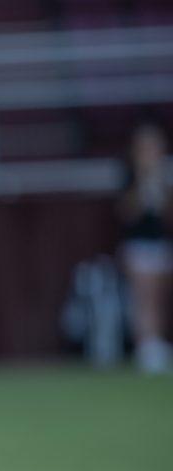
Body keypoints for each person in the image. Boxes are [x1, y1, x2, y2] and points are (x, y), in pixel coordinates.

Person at [118, 123, 172, 374]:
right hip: (138, 245)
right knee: (144, 298)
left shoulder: (165, 175)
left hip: (159, 243)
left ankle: (158, 342)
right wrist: (142, 183)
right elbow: (126, 214)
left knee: (159, 298)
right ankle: (145, 346)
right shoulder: (129, 175)